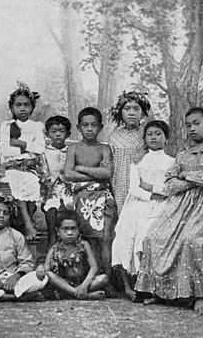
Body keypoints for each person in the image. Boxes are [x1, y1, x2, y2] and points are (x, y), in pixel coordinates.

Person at [135, 107, 203, 313]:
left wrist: (186, 176)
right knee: (153, 237)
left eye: (197, 123)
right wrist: (195, 177)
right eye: (188, 125)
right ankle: (158, 291)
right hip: (179, 206)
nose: (192, 128)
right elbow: (170, 185)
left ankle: (199, 295)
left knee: (193, 240)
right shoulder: (182, 156)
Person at [112, 120, 174, 301]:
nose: (154, 137)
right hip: (137, 205)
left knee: (148, 237)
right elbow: (134, 188)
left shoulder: (173, 162)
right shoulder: (138, 160)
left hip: (163, 206)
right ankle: (132, 286)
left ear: (166, 138)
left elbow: (171, 188)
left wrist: (151, 187)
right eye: (150, 134)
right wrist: (152, 194)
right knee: (125, 237)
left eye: (158, 134)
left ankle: (154, 287)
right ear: (144, 139)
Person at [64, 107, 117, 278]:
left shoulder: (104, 148)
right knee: (89, 240)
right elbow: (68, 174)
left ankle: (107, 279)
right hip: (83, 199)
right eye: (85, 125)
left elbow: (107, 173)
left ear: (100, 127)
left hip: (103, 197)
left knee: (106, 238)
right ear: (78, 127)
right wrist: (94, 172)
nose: (89, 129)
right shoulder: (73, 149)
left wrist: (80, 168)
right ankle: (92, 278)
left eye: (93, 125)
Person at [0, 81, 45, 240]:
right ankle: (28, 223)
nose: (22, 108)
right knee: (17, 178)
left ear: (32, 107)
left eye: (26, 105)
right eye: (18, 105)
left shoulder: (36, 126)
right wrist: (28, 148)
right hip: (11, 166)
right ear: (12, 107)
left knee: (31, 179)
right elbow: (6, 150)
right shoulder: (6, 126)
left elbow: (40, 148)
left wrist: (20, 144)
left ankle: (29, 220)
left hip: (30, 167)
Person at [0, 194, 48, 305]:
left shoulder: (16, 236)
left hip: (15, 279)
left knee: (41, 279)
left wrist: (15, 277)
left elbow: (27, 262)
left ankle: (2, 296)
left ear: (10, 217)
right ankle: (15, 297)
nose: (1, 216)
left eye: (5, 213)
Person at [36, 211, 108, 300]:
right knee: (50, 275)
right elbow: (46, 269)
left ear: (78, 230)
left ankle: (73, 293)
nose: (69, 233)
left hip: (83, 283)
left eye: (73, 229)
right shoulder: (54, 249)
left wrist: (84, 285)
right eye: (65, 229)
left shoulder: (84, 245)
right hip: (64, 284)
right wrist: (40, 267)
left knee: (103, 278)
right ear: (57, 231)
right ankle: (83, 295)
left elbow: (94, 267)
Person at [109, 90, 151, 215]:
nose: (131, 113)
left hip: (141, 181)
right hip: (120, 181)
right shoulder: (115, 135)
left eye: (136, 109)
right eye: (127, 109)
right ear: (120, 112)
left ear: (142, 113)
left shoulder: (147, 132)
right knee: (122, 214)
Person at [42, 115, 74, 249]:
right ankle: (52, 245)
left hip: (68, 188)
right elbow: (43, 172)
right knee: (51, 209)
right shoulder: (44, 152)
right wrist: (49, 183)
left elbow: (74, 170)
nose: (58, 134)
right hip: (51, 189)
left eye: (62, 131)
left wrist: (69, 183)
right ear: (47, 133)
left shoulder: (72, 151)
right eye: (54, 131)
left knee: (71, 206)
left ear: (68, 134)